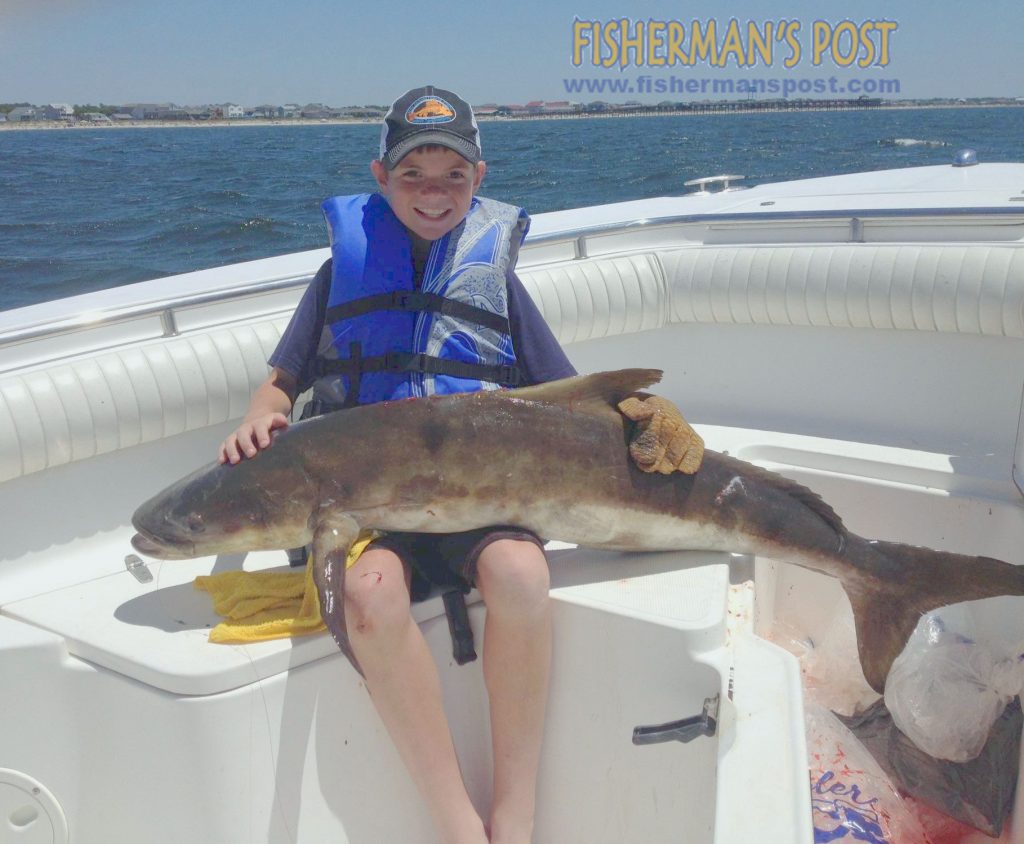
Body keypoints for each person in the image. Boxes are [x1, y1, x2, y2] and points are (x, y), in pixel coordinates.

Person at [218, 85, 703, 844]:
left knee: (520, 575)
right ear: (381, 179)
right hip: (372, 507)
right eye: (414, 175)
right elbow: (281, 378)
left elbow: (559, 389)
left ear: (480, 180)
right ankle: (456, 822)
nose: (433, 194)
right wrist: (260, 414)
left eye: (452, 176)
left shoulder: (496, 283)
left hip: (481, 498)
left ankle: (517, 808)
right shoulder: (338, 274)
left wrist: (633, 415)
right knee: (371, 597)